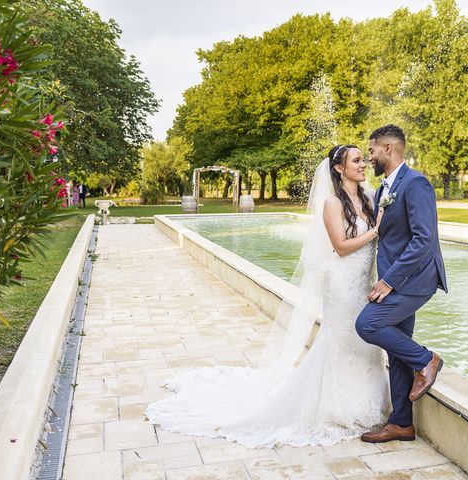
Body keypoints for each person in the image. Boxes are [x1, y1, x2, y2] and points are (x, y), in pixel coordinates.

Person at [146, 144, 390, 447]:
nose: (363, 164)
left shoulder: (367, 197)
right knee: (342, 339)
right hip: (342, 283)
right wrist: (375, 231)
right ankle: (338, 406)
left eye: (362, 160)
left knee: (364, 342)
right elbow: (340, 246)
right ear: (339, 168)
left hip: (363, 280)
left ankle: (368, 400)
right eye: (356, 160)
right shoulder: (332, 203)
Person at [356, 124, 448, 443]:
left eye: (372, 151)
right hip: (397, 280)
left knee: (367, 324)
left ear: (389, 150)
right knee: (395, 349)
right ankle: (401, 424)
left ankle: (427, 360)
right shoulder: (384, 189)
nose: (370, 157)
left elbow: (424, 240)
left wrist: (389, 282)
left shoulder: (416, 183)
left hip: (414, 281)